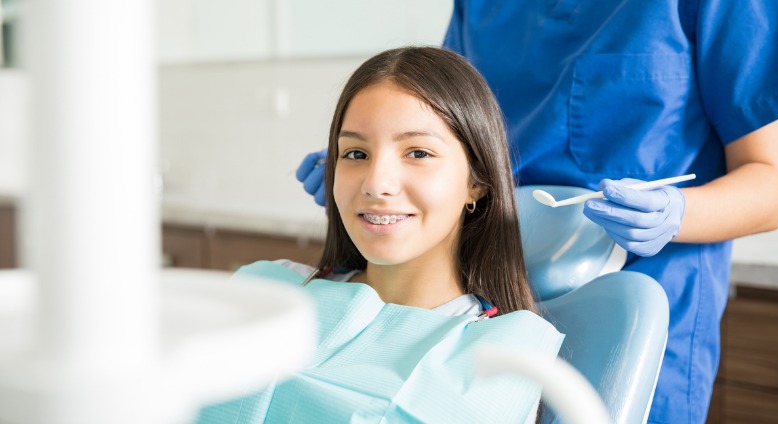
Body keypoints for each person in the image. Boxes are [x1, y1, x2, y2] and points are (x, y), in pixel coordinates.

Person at [297, 1, 778, 422]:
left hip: (650, 290)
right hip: (482, 292)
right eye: (353, 152)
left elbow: (772, 184)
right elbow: (444, 121)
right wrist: (375, 179)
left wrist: (677, 212)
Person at [195, 47, 563, 424]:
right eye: (356, 154)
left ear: (477, 183)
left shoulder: (498, 359)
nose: (376, 184)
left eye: (418, 153)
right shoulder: (269, 291)